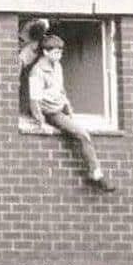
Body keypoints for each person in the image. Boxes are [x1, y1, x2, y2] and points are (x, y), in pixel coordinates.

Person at [28, 34, 115, 191]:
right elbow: (34, 100)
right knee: (83, 134)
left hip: (61, 109)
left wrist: (68, 107)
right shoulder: (37, 71)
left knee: (83, 130)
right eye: (55, 52)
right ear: (45, 52)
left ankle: (95, 171)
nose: (59, 55)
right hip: (51, 113)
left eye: (60, 52)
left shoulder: (58, 66)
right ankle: (95, 173)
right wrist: (41, 123)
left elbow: (60, 90)